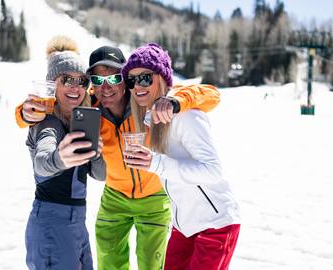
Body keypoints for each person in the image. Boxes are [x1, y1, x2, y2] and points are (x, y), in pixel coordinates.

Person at [15, 45, 221, 270]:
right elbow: (52, 103)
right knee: (109, 264)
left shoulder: (145, 99)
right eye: (97, 80)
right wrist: (23, 113)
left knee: (152, 264)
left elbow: (211, 94)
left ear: (125, 79)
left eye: (114, 79)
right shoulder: (90, 106)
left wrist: (175, 102)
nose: (106, 88)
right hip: (114, 198)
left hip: (153, 197)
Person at [122, 43, 241, 270]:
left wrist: (155, 163)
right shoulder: (149, 118)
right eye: (132, 80)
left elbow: (213, 171)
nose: (138, 86)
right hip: (184, 226)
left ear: (163, 78)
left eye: (145, 78)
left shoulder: (186, 116)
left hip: (216, 224)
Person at [25, 35, 106, 270]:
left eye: (82, 81)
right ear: (53, 84)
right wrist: (61, 157)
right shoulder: (46, 123)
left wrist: (97, 154)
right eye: (67, 79)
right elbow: (42, 162)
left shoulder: (80, 124)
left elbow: (100, 176)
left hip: (77, 221)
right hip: (51, 220)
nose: (76, 87)